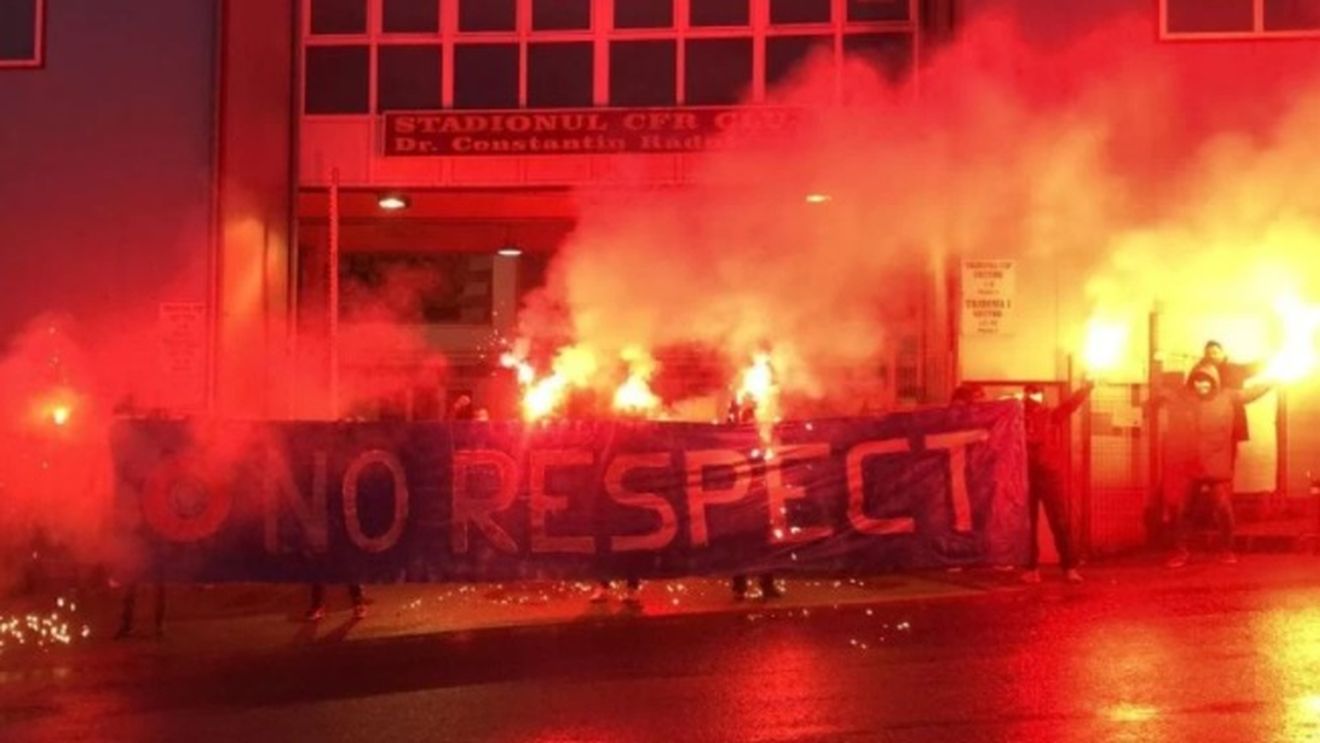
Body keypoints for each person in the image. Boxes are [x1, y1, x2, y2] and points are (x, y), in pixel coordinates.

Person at [1162, 362, 1272, 568]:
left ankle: (1227, 550)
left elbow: (1251, 393)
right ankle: (1180, 552)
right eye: (1197, 381)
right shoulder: (1184, 399)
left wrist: (1273, 381)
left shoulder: (1228, 396)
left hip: (1216, 465)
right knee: (1182, 510)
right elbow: (1163, 397)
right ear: (1192, 382)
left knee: (1223, 509)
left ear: (1214, 382)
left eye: (1206, 381)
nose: (1201, 385)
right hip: (1190, 464)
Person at [1021, 379, 1094, 584]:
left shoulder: (1050, 415)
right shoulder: (1016, 417)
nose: (1034, 397)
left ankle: (1069, 567)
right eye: (1031, 393)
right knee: (1029, 524)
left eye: (1037, 393)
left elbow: (1070, 405)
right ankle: (1032, 568)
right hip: (1027, 474)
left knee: (1060, 521)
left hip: (1049, 473)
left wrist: (1085, 389)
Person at [726, 396, 783, 600]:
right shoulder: (736, 441)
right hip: (742, 504)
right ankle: (740, 586)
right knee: (741, 546)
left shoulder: (762, 439)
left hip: (760, 501)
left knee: (764, 545)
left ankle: (765, 584)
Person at [1201, 341, 1261, 455]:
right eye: (1208, 354)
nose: (1212, 356)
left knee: (1230, 453)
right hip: (1210, 420)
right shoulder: (1200, 372)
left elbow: (1255, 367)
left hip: (1232, 418)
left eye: (1215, 352)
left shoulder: (1235, 369)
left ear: (1223, 353)